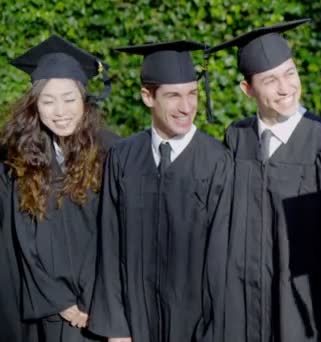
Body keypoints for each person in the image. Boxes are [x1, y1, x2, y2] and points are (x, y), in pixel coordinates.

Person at [206, 19, 321, 342]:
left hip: (306, 313)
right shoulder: (237, 139)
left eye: (290, 73)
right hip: (243, 312)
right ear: (248, 89)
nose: (286, 87)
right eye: (270, 80)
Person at [88, 40, 232, 342]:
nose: (186, 107)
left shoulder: (217, 161)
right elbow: (110, 243)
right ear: (147, 97)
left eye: (192, 94)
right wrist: (116, 329)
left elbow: (223, 265)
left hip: (195, 327)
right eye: (173, 96)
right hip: (133, 323)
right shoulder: (123, 156)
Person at [1, 34, 117, 342]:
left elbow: (121, 234)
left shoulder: (113, 154)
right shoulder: (22, 161)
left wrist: (100, 301)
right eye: (48, 101)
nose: (60, 111)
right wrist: (62, 303)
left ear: (84, 100)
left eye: (69, 99)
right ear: (35, 106)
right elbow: (22, 238)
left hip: (105, 308)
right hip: (50, 309)